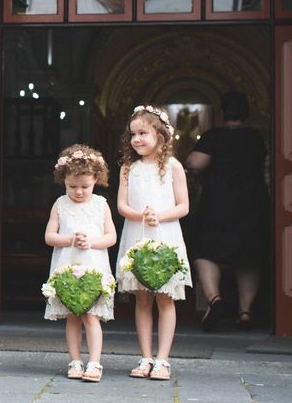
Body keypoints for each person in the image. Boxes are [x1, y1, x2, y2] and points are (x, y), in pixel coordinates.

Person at [116, 105, 191, 381]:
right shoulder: (128, 168)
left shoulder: (173, 167)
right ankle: (145, 355)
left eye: (143, 133)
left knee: (165, 298)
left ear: (160, 135)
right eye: (133, 134)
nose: (137, 139)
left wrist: (159, 216)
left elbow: (183, 206)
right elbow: (122, 205)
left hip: (165, 236)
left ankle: (163, 359)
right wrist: (141, 216)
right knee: (143, 298)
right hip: (137, 235)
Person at [185, 92, 268, 331]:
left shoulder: (215, 136)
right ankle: (245, 312)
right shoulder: (255, 137)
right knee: (248, 257)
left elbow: (194, 163)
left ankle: (215, 299)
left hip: (219, 203)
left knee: (205, 251)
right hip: (253, 204)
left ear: (223, 113)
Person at [44, 144, 116, 383]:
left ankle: (94, 362)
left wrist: (92, 242)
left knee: (91, 316)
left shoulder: (100, 204)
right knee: (73, 316)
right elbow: (49, 236)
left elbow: (111, 237)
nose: (78, 192)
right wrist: (68, 239)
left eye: (85, 186)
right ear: (63, 179)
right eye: (72, 186)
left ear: (96, 179)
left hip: (92, 267)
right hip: (67, 266)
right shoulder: (60, 204)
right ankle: (75, 359)